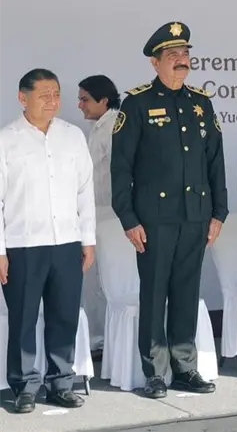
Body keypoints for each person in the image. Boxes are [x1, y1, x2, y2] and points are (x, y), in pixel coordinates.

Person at [110, 22, 226, 398]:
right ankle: (155, 372)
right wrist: (129, 218)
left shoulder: (201, 103)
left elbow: (215, 162)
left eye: (185, 54)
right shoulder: (137, 103)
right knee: (155, 292)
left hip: (195, 215)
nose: (181, 60)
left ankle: (185, 367)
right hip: (154, 218)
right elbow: (121, 168)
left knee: (186, 292)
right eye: (173, 55)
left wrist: (219, 212)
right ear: (155, 62)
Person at [0, 69, 95, 413]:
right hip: (23, 246)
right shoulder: (6, 140)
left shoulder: (72, 136)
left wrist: (88, 239)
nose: (52, 101)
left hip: (67, 242)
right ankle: (24, 386)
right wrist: (0, 251)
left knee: (64, 316)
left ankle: (61, 383)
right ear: (22, 98)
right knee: (23, 319)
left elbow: (85, 191)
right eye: (44, 95)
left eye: (56, 94)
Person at [78, 74, 122, 350]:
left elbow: (121, 174)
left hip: (110, 215)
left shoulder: (113, 127)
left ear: (103, 100)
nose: (80, 105)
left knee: (106, 280)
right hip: (96, 214)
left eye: (85, 99)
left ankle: (106, 340)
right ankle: (100, 339)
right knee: (94, 280)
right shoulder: (98, 127)